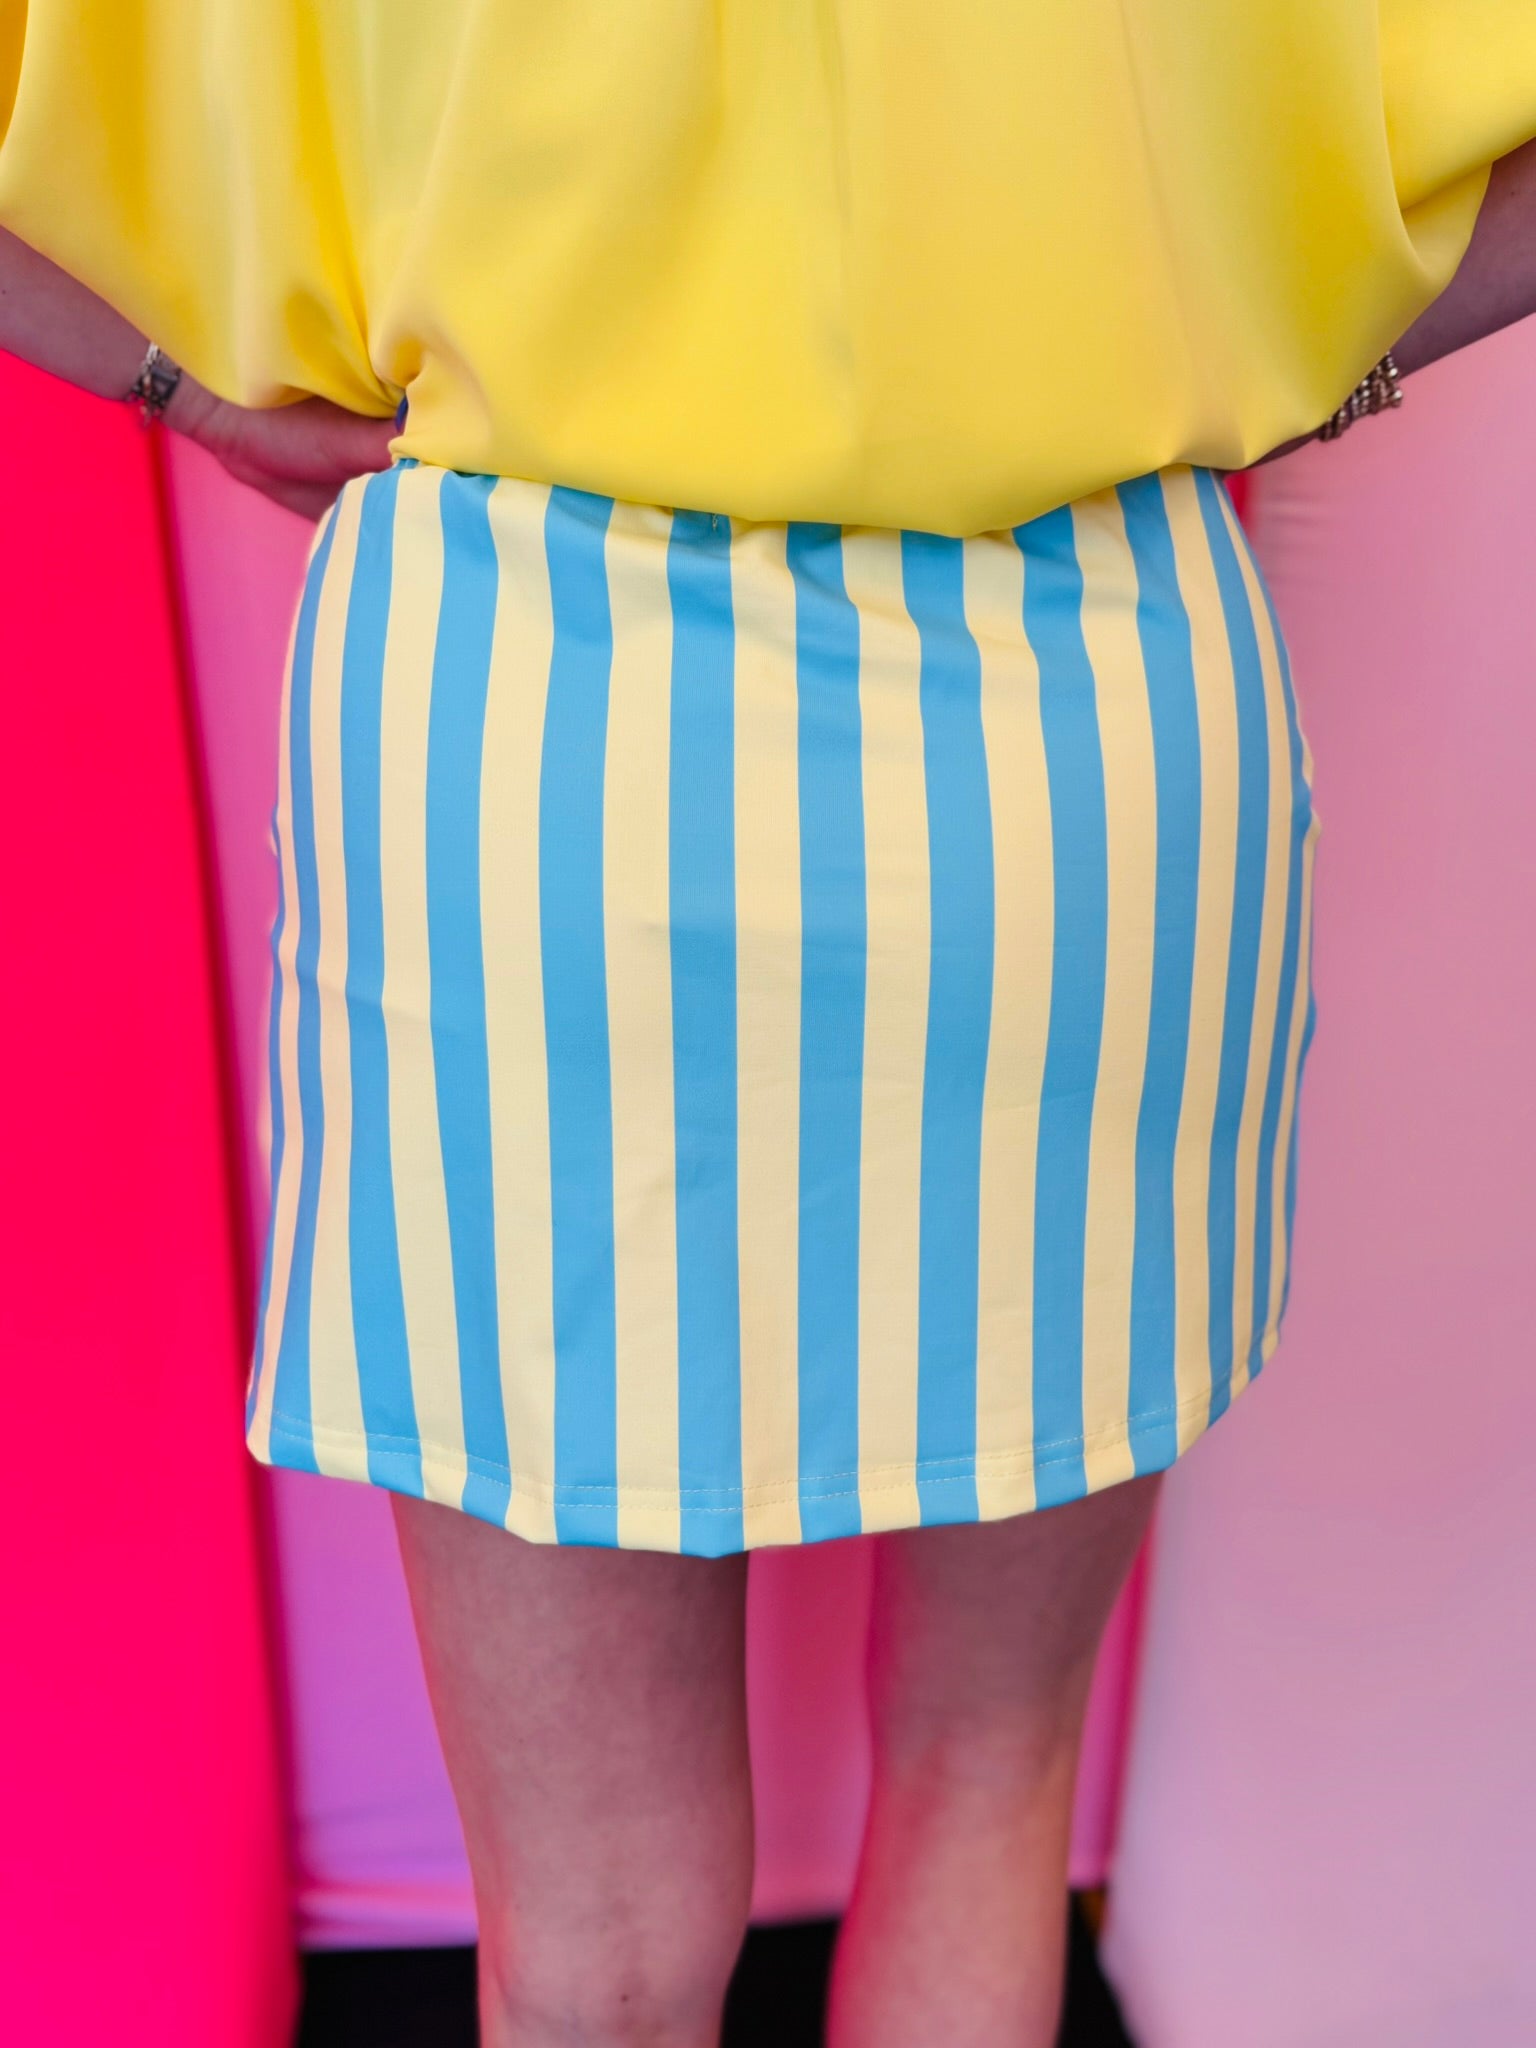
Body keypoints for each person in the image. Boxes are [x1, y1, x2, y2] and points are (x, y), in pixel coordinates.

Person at [3, 10, 1534, 2044]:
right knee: (986, 1778)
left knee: (594, 1948)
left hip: (530, 713)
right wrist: (1283, 346)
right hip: (1076, 695)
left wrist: (182, 381)